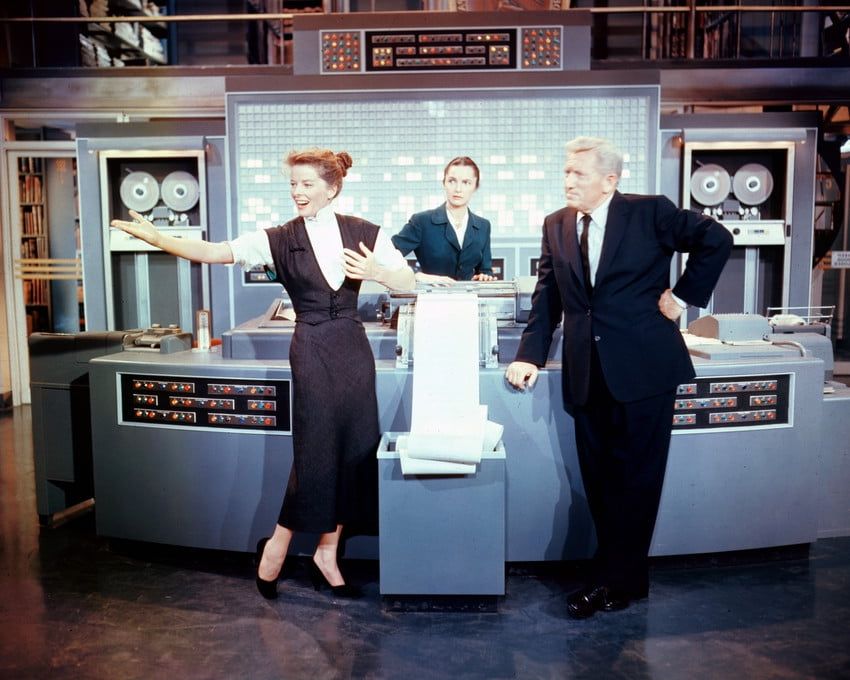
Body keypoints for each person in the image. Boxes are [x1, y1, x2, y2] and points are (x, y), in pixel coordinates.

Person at [111, 148, 415, 600]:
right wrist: (162, 240)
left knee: (355, 448)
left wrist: (377, 272)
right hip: (311, 346)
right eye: (293, 184)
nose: (297, 192)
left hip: (353, 349)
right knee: (316, 449)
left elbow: (408, 283)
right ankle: (278, 546)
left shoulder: (364, 232)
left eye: (306, 184)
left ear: (332, 188)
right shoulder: (279, 237)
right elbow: (216, 251)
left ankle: (327, 554)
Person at [505, 136, 732, 619]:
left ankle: (616, 583)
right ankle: (621, 576)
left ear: (610, 180)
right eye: (565, 172)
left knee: (637, 481)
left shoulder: (650, 212)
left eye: (578, 174)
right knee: (601, 481)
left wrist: (684, 294)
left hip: (644, 369)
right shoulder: (557, 224)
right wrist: (530, 354)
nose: (568, 181)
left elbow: (717, 239)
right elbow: (548, 296)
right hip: (587, 373)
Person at [391, 156, 497, 284]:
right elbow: (387, 256)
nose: (458, 189)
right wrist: (416, 276)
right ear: (444, 183)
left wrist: (485, 276)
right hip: (431, 298)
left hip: (469, 300)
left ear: (475, 186)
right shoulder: (421, 222)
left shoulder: (483, 226)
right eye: (452, 181)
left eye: (466, 182)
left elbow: (485, 270)